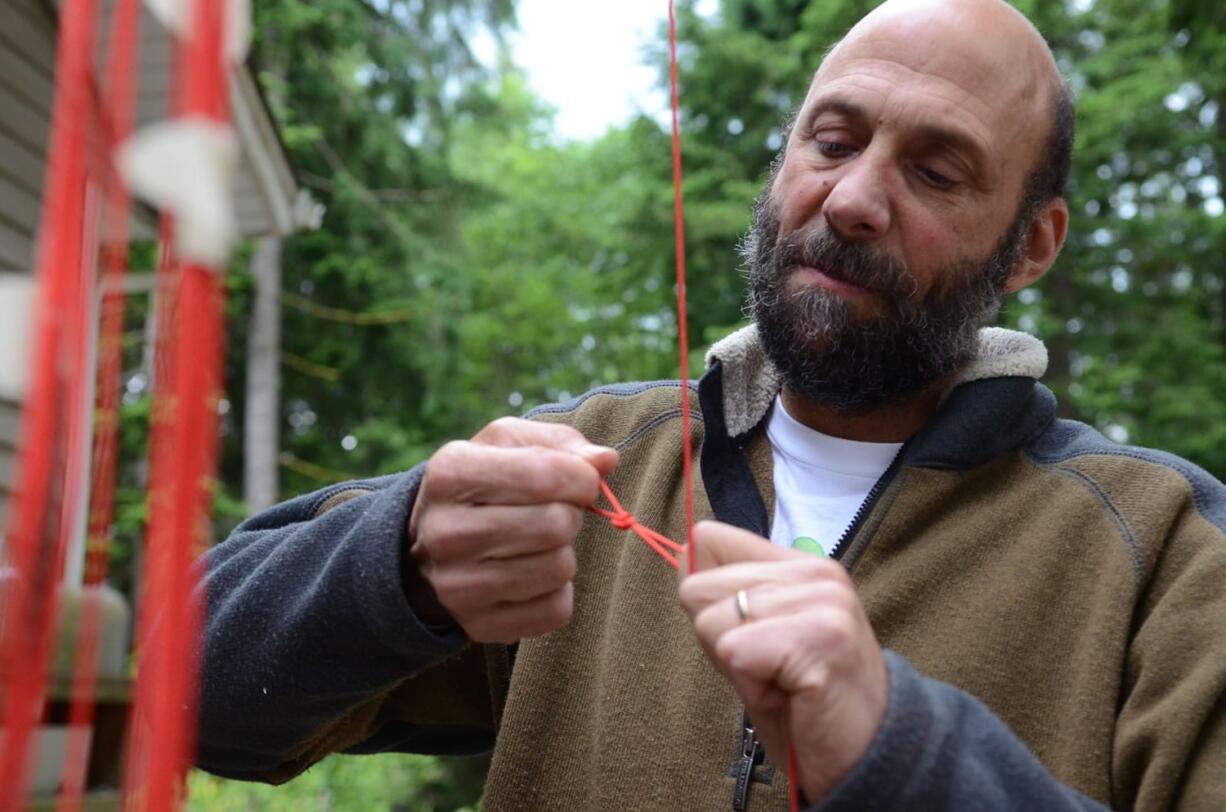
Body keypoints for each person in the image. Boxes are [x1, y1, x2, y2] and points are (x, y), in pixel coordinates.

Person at [196, 0, 1226, 809]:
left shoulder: (1163, 550)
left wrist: (902, 750)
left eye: (935, 170)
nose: (855, 197)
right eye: (831, 140)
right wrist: (398, 563)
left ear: (1033, 244)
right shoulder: (586, 459)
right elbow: (180, 691)